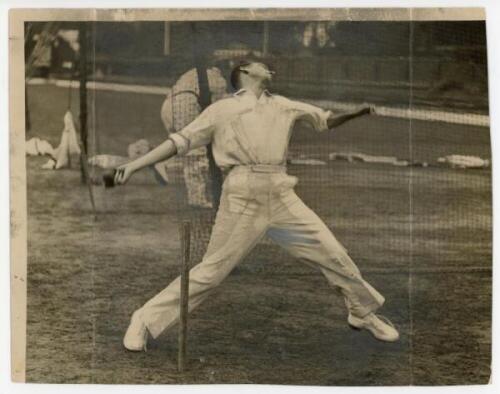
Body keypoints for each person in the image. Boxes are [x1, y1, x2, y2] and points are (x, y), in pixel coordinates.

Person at [115, 60, 400, 352]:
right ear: (245, 74)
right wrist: (136, 164)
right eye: (262, 66)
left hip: (281, 194)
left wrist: (358, 112)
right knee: (211, 273)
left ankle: (361, 311)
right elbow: (179, 142)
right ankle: (144, 320)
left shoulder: (283, 105)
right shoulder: (221, 109)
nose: (271, 70)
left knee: (333, 253)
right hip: (242, 195)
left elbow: (324, 120)